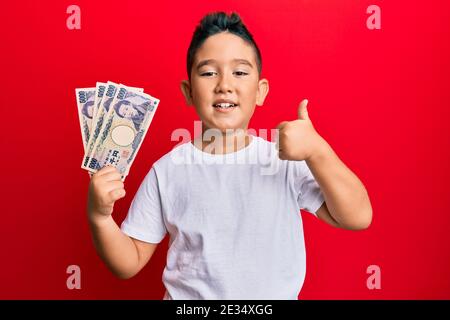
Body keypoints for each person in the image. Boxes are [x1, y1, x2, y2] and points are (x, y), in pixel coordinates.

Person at [87, 12, 372, 300]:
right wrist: (100, 217)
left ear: (260, 91)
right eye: (209, 72)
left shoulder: (284, 161)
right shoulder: (168, 171)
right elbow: (129, 261)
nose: (224, 84)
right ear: (188, 92)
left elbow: (357, 216)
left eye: (240, 72)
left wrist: (317, 151)